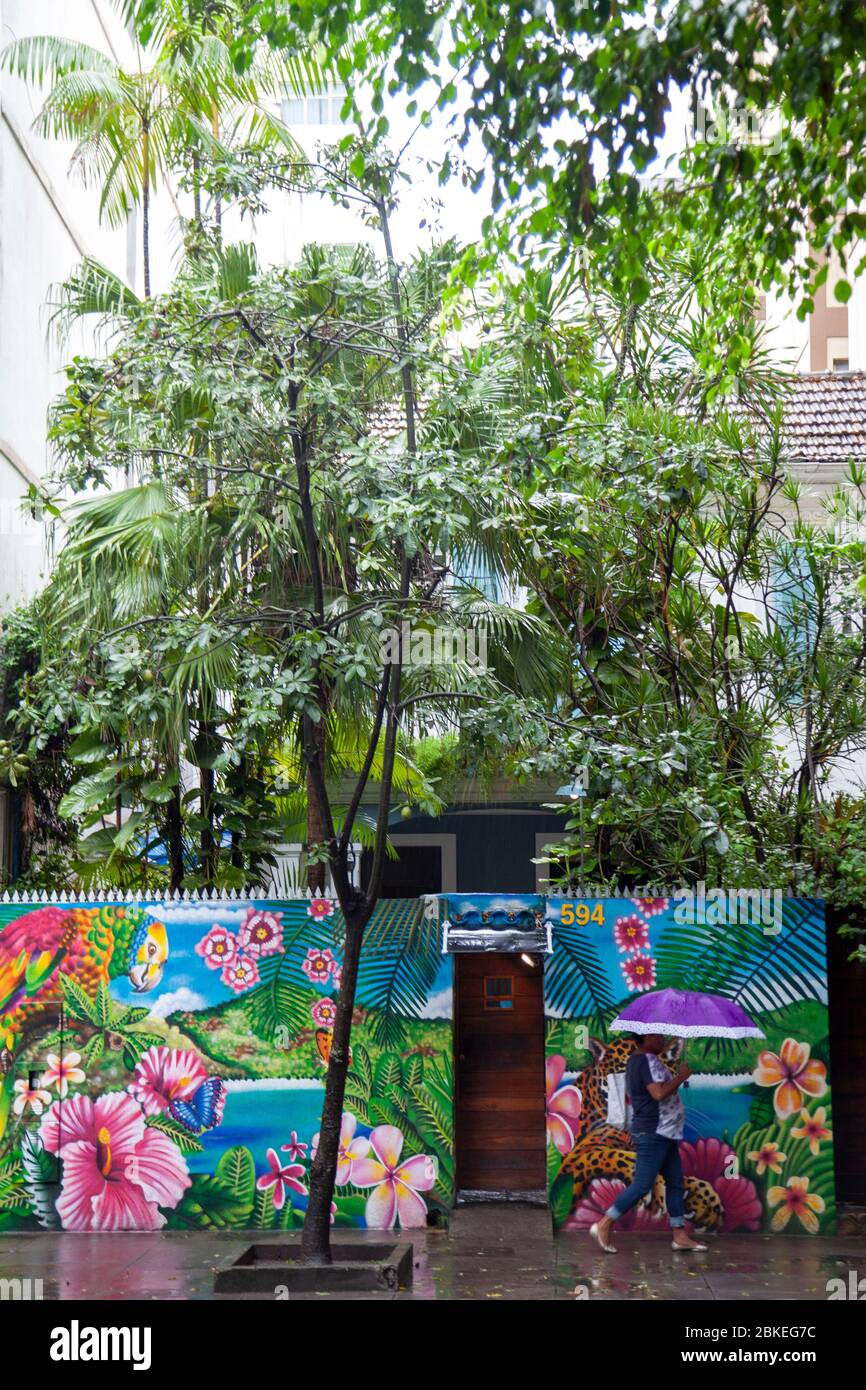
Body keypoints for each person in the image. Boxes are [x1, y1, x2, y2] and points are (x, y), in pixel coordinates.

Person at [589, 1033, 707, 1253]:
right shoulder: (643, 1061)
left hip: (666, 1132)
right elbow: (658, 1093)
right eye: (656, 1035)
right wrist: (681, 1077)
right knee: (643, 1184)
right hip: (654, 1132)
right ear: (645, 1038)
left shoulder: (645, 1060)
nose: (661, 1038)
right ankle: (605, 1223)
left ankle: (679, 1235)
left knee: (675, 1182)